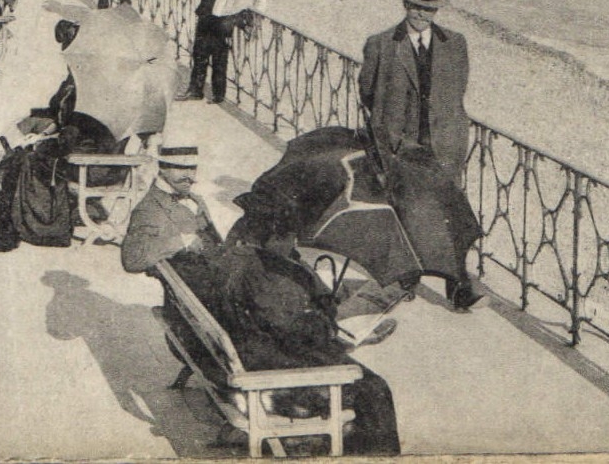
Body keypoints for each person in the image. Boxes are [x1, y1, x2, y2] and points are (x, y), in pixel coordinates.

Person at [172, 206, 400, 455]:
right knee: (374, 388)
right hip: (270, 371)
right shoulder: (265, 276)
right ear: (271, 238)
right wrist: (340, 331)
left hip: (249, 352)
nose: (294, 244)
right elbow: (294, 331)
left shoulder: (236, 259)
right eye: (289, 237)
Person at [358, 0, 483, 311]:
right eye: (416, 7)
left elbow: (457, 91)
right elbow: (367, 93)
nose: (422, 15)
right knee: (406, 213)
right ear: (405, 5)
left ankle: (458, 288)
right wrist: (392, 134)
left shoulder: (455, 44)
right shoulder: (382, 44)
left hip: (444, 147)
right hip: (403, 147)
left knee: (450, 215)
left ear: (436, 11)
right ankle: (406, 280)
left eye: (429, 9)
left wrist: (452, 133)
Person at [121, 145, 222, 274]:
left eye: (192, 168)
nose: (188, 175)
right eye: (180, 168)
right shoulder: (149, 208)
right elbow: (132, 259)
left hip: (216, 271)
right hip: (194, 281)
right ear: (162, 168)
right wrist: (183, 241)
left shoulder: (196, 199)